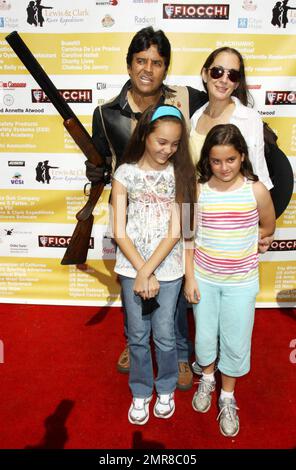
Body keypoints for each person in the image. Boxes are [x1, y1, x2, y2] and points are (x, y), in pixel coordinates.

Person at [87, 26, 207, 390]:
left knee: (177, 289)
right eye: (141, 61)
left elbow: (223, 103)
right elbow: (101, 163)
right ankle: (134, 341)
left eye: (157, 62)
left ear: (166, 69)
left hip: (178, 209)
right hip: (132, 218)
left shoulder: (187, 98)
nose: (148, 69)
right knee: (135, 287)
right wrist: (95, 173)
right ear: (128, 65)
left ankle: (180, 354)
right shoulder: (105, 113)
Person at [184, 123, 276, 437]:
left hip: (242, 282)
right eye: (216, 161)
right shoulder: (196, 189)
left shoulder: (257, 189)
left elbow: (268, 226)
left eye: (231, 160)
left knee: (236, 340)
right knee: (205, 337)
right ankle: (207, 379)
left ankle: (227, 396)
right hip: (205, 280)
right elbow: (186, 234)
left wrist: (258, 240)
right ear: (207, 161)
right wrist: (190, 278)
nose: (224, 167)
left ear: (242, 157)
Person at [111, 104, 196, 424]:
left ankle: (166, 388)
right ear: (145, 134)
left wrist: (149, 270)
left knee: (164, 334)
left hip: (170, 269)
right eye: (162, 142)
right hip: (131, 266)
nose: (168, 150)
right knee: (136, 335)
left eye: (175, 144)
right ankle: (141, 391)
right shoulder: (124, 173)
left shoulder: (183, 173)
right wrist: (140, 269)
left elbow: (179, 230)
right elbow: (118, 229)